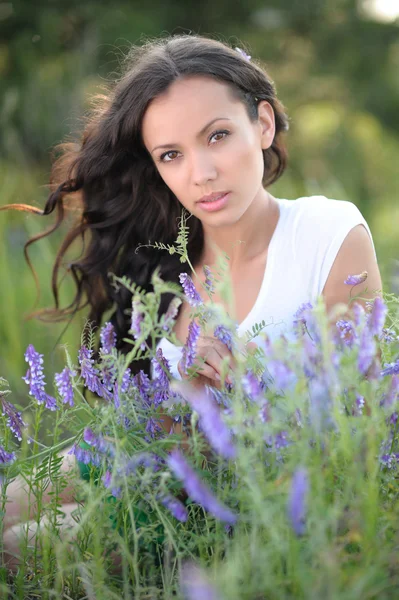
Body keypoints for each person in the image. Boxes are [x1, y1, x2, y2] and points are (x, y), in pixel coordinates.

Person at [1, 34, 382, 569]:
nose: (200, 173)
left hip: (224, 508)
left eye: (218, 136)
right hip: (143, 461)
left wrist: (252, 395)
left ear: (264, 124)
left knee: (21, 547)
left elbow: (363, 430)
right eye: (172, 154)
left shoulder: (327, 233)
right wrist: (190, 393)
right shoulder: (157, 265)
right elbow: (151, 429)